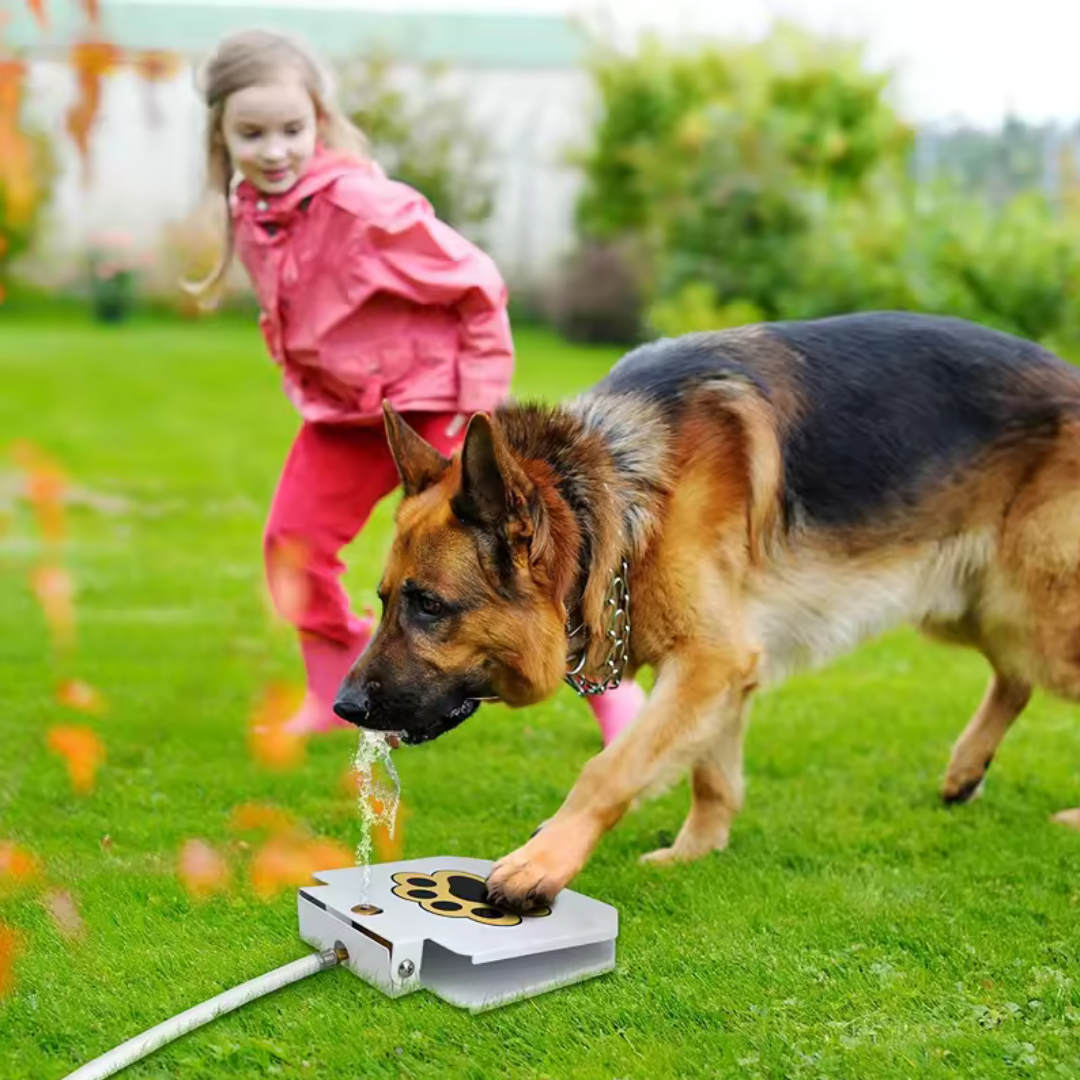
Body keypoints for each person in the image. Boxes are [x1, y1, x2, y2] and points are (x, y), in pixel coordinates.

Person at [182, 28, 645, 745]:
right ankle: (334, 677)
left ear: (320, 122)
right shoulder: (253, 210)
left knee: (522, 559)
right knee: (291, 544)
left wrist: (479, 401)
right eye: (252, 133)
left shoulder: (367, 210)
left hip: (428, 405)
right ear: (221, 135)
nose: (274, 149)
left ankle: (610, 693)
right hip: (343, 414)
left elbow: (479, 286)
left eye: (291, 129)